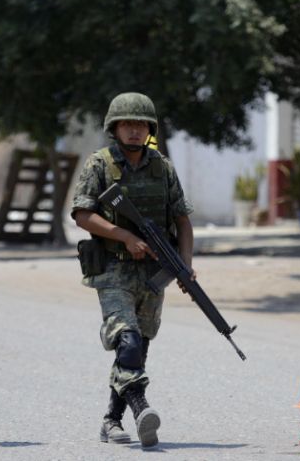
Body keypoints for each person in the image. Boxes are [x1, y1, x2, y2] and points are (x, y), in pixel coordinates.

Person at [71, 92, 195, 448]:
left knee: (139, 347)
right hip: (112, 267)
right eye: (127, 124)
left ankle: (112, 420)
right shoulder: (99, 164)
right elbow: (82, 214)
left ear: (150, 129)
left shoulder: (162, 167)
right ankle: (141, 408)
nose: (135, 131)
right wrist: (124, 236)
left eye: (141, 125)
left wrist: (185, 266)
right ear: (115, 128)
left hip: (154, 271)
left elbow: (182, 220)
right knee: (126, 338)